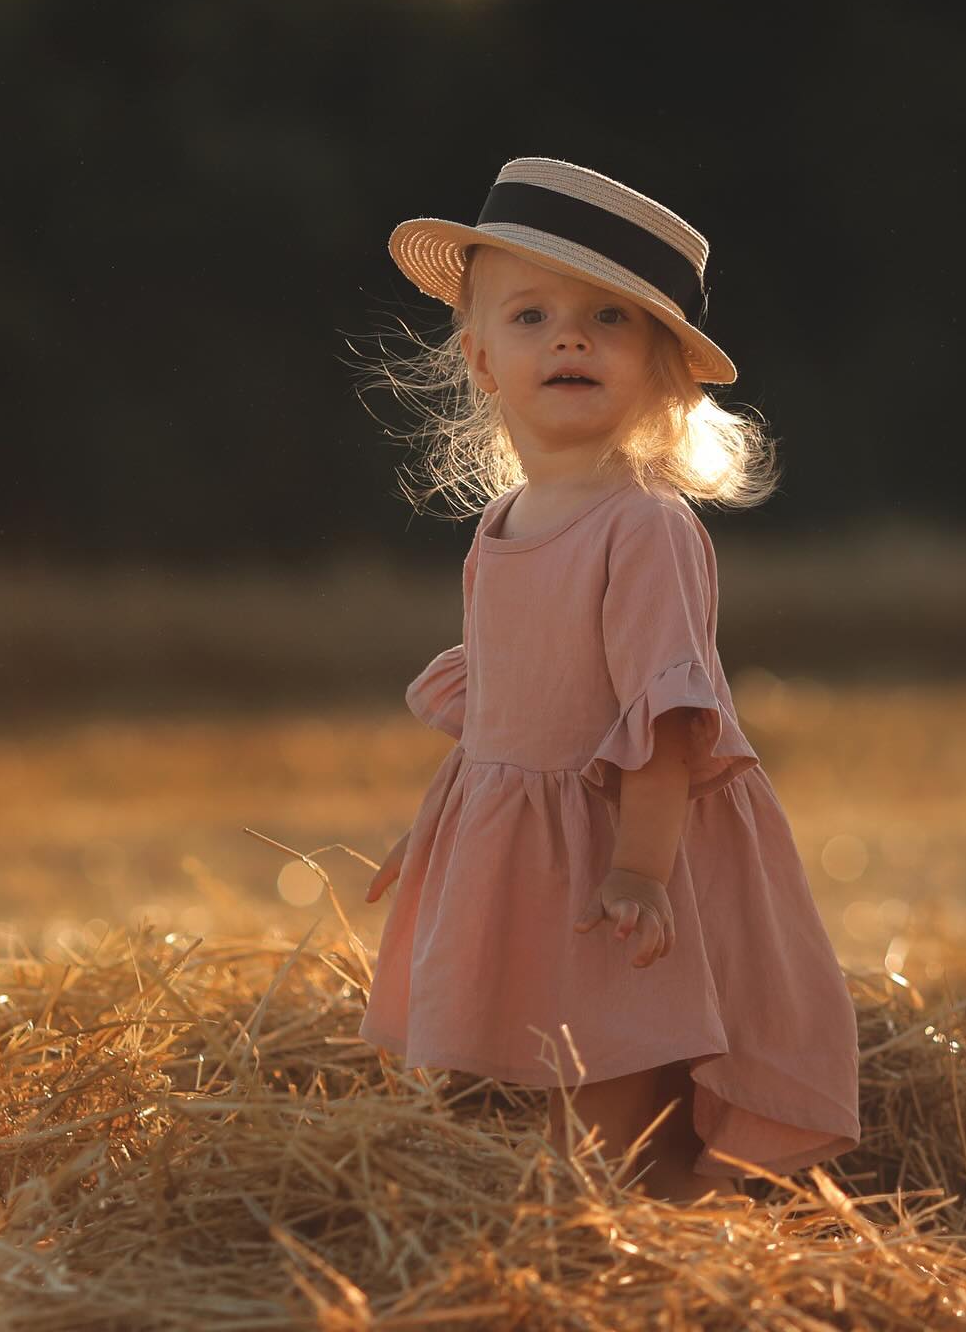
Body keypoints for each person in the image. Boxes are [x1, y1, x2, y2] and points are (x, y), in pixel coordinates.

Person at [355, 156, 861, 1206]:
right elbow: (503, 702)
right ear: (482, 359)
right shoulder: (501, 527)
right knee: (567, 1090)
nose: (570, 338)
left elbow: (669, 722)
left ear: (667, 372)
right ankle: (643, 1245)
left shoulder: (644, 525)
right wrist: (436, 832)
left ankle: (663, 1265)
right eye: (531, 316)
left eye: (609, 320)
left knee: (612, 1101)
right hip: (530, 848)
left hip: (625, 849)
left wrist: (637, 870)